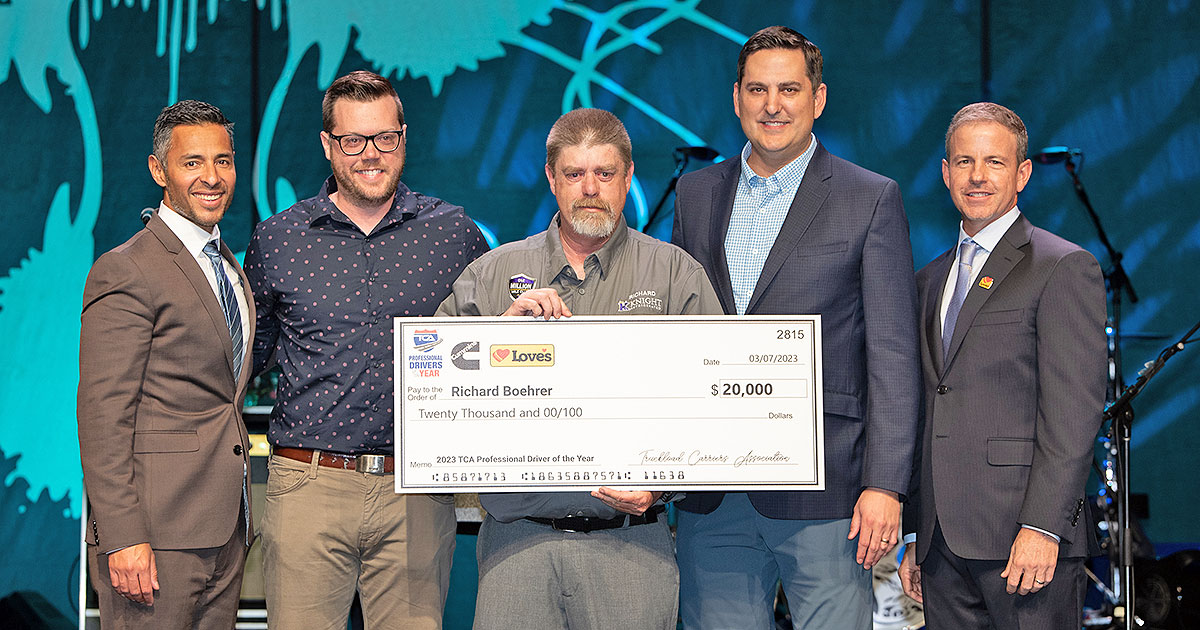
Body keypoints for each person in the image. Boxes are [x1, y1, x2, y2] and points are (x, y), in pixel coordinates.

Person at [670, 25, 922, 629]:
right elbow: (678, 333)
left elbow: (893, 354)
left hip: (827, 491)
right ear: (736, 98)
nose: (772, 105)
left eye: (789, 89)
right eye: (757, 89)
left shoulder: (870, 197)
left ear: (819, 98)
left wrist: (886, 485)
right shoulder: (695, 193)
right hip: (714, 490)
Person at [436, 107, 721, 630]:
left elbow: (716, 406)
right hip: (515, 546)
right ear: (551, 178)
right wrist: (497, 336)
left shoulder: (675, 274)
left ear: (628, 176)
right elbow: (431, 388)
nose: (590, 188)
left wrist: (661, 489)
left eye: (605, 173)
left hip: (633, 547)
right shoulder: (492, 273)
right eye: (574, 173)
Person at [243, 70, 489, 629]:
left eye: (384, 137)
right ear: (327, 144)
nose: (370, 154)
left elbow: (492, 348)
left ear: (404, 137)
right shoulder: (278, 239)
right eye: (353, 140)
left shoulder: (453, 234)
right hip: (308, 485)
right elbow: (242, 362)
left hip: (416, 491)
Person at [898, 102, 1106, 628]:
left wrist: (1044, 526)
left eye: (994, 161)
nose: (977, 176)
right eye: (964, 161)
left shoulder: (1063, 266)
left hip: (1024, 541)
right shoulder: (928, 281)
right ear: (945, 173)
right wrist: (918, 533)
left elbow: (1073, 414)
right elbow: (926, 410)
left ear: (1022, 173)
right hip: (941, 548)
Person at [78, 99, 254, 628]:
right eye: (192, 162)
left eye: (223, 161)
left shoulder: (228, 266)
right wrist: (122, 535)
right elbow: (103, 416)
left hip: (225, 531)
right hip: (154, 538)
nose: (211, 177)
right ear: (159, 170)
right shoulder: (127, 269)